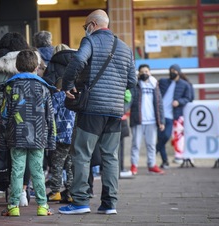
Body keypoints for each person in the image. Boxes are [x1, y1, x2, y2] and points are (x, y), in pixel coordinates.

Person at [58, 9, 137, 215]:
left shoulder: (91, 41)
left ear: (93, 24)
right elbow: (132, 82)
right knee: (111, 156)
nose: (86, 31)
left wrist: (67, 84)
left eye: (86, 27)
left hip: (92, 109)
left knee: (82, 154)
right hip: (114, 111)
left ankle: (80, 202)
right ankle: (109, 204)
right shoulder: (125, 48)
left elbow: (77, 61)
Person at [0, 50, 56, 217]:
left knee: (17, 170)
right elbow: (50, 116)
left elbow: (4, 114)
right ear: (36, 66)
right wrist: (51, 139)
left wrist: (2, 138)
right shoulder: (44, 87)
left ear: (16, 66)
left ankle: (13, 206)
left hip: (16, 134)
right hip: (38, 135)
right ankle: (42, 206)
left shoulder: (10, 86)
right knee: (37, 170)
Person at [0, 32, 31, 206]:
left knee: (6, 153)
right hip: (26, 116)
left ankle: (9, 187)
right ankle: (23, 191)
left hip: (2, 117)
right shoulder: (29, 61)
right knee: (25, 153)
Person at [43, 44, 76, 203]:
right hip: (73, 135)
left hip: (60, 135)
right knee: (70, 164)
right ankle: (70, 191)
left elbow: (52, 113)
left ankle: (55, 191)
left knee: (57, 163)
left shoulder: (56, 96)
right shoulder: (74, 96)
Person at [129, 64, 165, 175]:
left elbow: (159, 104)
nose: (144, 73)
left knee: (151, 145)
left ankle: (152, 165)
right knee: (135, 144)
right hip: (138, 120)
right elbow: (130, 100)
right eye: (142, 71)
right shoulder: (135, 85)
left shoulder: (155, 85)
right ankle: (134, 166)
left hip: (152, 121)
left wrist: (161, 121)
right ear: (139, 73)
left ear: (150, 72)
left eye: (146, 71)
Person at [156, 64, 192, 169]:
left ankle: (155, 150)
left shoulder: (185, 85)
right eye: (170, 70)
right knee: (160, 137)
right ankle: (165, 161)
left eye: (174, 71)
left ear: (178, 72)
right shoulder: (163, 81)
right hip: (160, 115)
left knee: (166, 136)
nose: (172, 72)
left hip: (172, 116)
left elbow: (188, 98)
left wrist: (179, 102)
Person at [172, 72, 195, 164]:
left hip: (179, 114)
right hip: (187, 114)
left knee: (178, 136)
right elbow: (192, 98)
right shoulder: (189, 85)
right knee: (185, 136)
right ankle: (189, 156)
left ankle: (179, 156)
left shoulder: (182, 86)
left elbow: (189, 98)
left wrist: (178, 102)